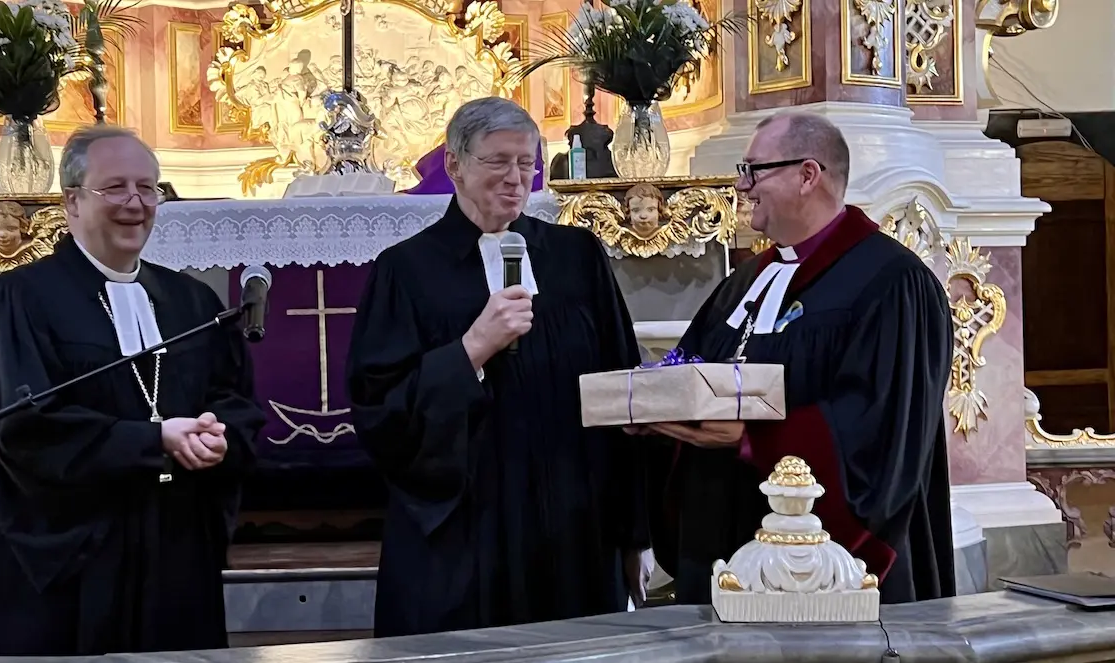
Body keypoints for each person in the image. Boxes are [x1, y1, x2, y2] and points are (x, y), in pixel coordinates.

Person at [0, 125, 266, 655]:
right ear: (72, 201)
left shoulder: (190, 301)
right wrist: (155, 440)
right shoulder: (18, 301)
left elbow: (235, 400)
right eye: (115, 188)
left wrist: (219, 437)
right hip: (71, 556)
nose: (135, 204)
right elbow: (23, 428)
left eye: (148, 189)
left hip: (172, 548)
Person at [347, 97, 651, 637]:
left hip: (573, 528)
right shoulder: (406, 271)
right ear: (456, 165)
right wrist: (470, 351)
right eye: (498, 162)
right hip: (465, 533)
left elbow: (623, 391)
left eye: (527, 163)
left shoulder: (576, 256)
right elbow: (381, 412)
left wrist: (634, 531)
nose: (516, 179)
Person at [635, 112, 956, 605]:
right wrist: (649, 409)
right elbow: (688, 366)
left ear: (809, 175)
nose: (742, 186)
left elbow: (881, 429)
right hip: (722, 544)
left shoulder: (892, 283)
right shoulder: (745, 283)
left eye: (754, 170)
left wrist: (754, 439)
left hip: (827, 569)